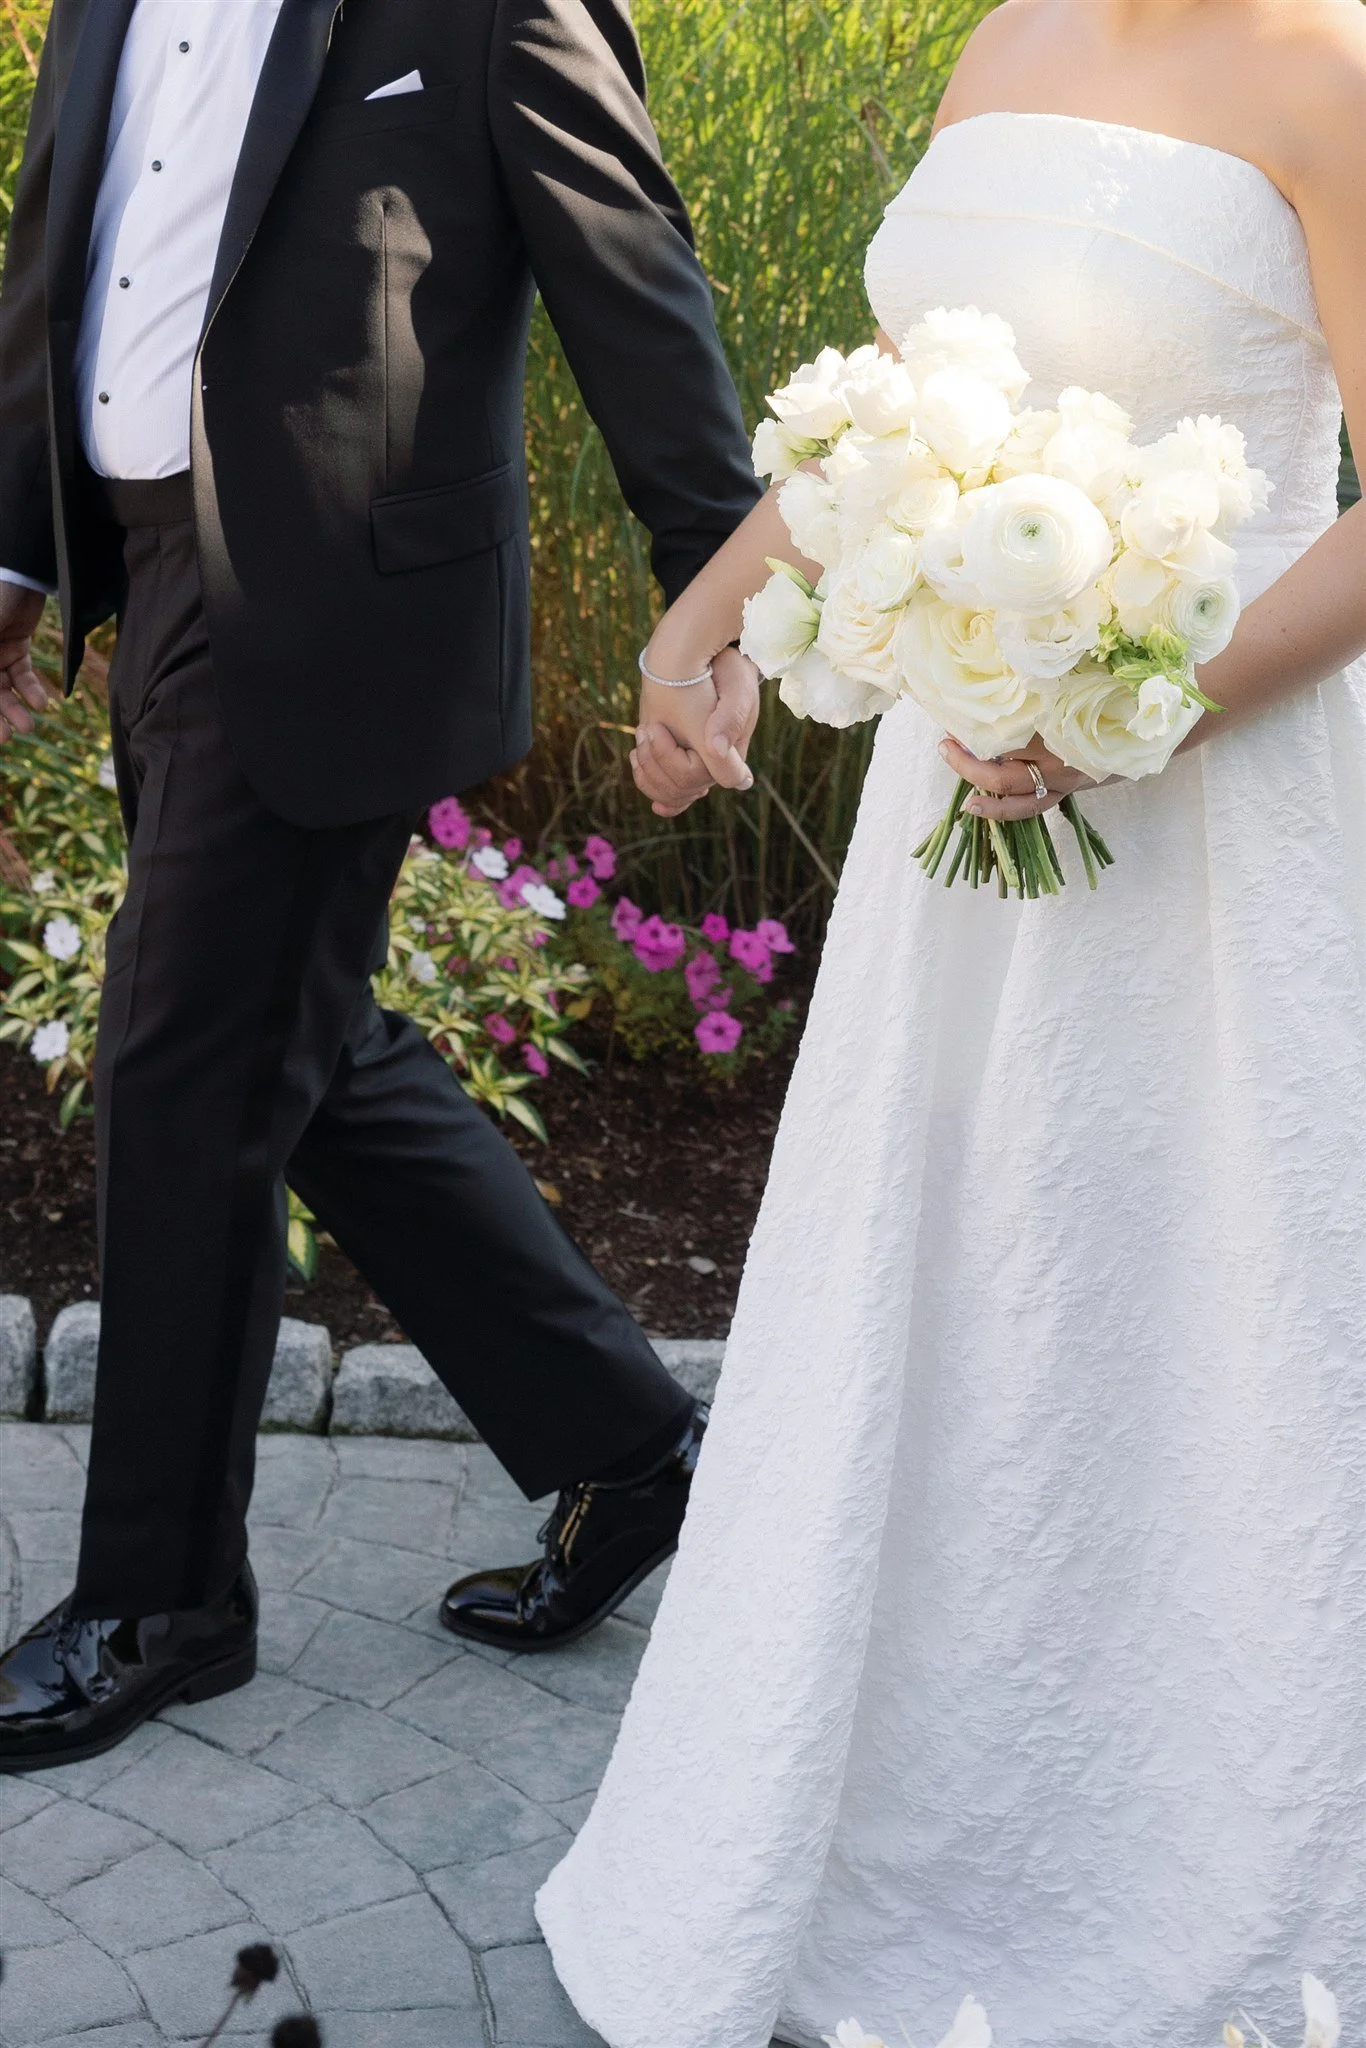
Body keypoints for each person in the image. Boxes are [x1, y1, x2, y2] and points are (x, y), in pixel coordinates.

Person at [536, 0, 1366, 2040]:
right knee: (949, 1291)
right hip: (959, 779)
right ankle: (880, 1821)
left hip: (1208, 806)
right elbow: (897, 405)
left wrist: (1132, 716)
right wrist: (700, 616)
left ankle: (1189, 1863)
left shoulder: (1324, 71)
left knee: (1192, 1318)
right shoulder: (999, 41)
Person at [0, 0, 764, 1775]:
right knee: (294, 1038)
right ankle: (626, 1442)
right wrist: (22, 550)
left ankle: (162, 1599)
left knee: (182, 1064)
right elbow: (67, 247)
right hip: (157, 569)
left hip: (342, 605)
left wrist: (712, 601)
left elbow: (629, 274)